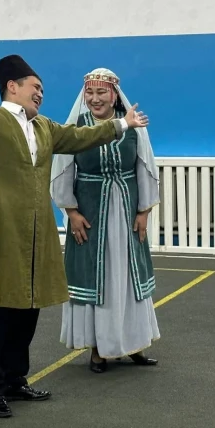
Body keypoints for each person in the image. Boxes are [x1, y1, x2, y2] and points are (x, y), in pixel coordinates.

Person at [0, 55, 150, 418]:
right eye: (35, 88)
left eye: (42, 90)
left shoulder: (44, 127)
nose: (40, 94)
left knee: (29, 308)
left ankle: (16, 379)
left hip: (37, 232)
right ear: (13, 87)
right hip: (2, 228)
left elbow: (81, 136)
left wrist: (122, 124)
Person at [50, 68, 161, 373]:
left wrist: (143, 212)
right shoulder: (76, 127)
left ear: (114, 95)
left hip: (125, 213)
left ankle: (134, 343)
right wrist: (71, 212)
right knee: (97, 277)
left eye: (101, 92)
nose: (95, 98)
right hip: (90, 214)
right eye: (90, 92)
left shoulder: (133, 125)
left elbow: (145, 167)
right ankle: (99, 348)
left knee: (127, 276)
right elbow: (63, 170)